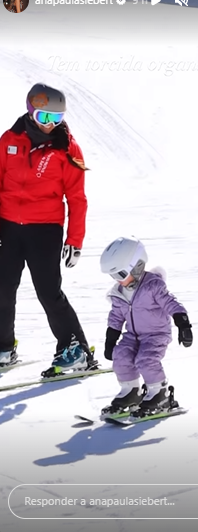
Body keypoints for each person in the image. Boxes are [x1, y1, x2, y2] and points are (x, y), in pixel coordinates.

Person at [0, 83, 93, 372]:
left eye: (57, 118)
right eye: (45, 118)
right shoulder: (9, 140)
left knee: (48, 292)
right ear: (31, 112)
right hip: (8, 228)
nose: (51, 125)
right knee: (2, 290)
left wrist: (75, 239)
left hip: (45, 230)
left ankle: (75, 348)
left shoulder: (67, 148)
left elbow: (77, 198)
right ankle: (4, 347)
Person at [99, 236, 193, 413]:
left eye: (120, 274)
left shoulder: (153, 286)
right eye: (114, 275)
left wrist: (183, 324)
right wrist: (110, 339)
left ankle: (160, 393)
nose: (118, 280)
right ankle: (130, 391)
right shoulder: (119, 293)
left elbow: (170, 303)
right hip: (133, 335)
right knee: (121, 355)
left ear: (137, 266)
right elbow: (116, 317)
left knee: (146, 360)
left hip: (155, 335)